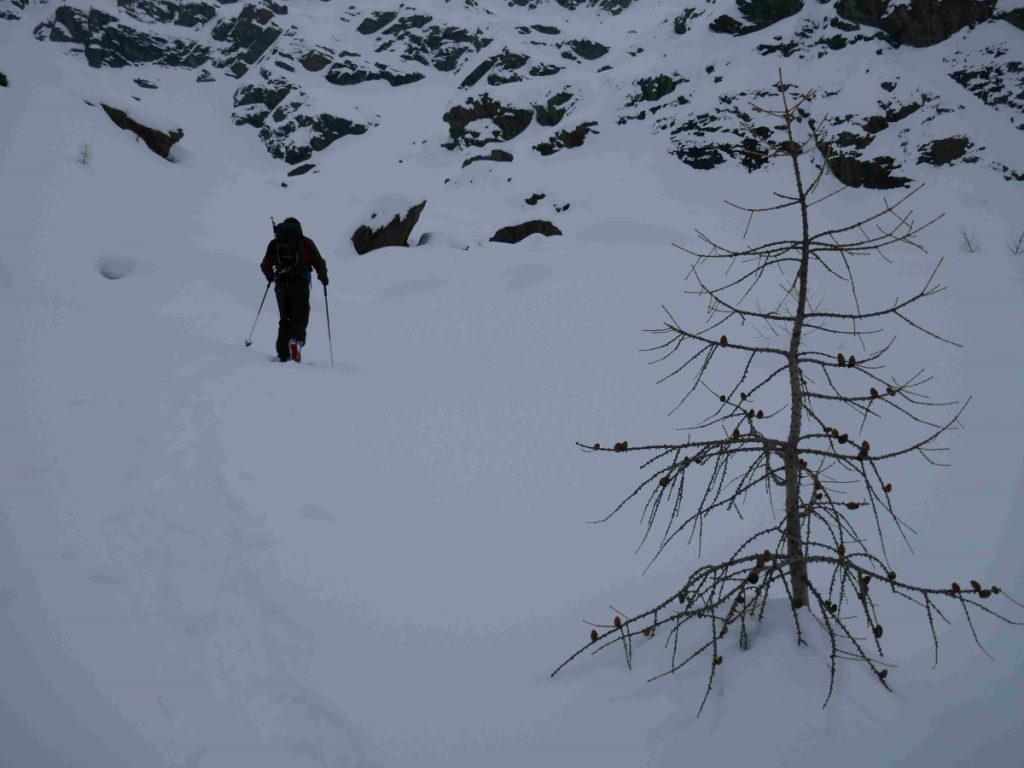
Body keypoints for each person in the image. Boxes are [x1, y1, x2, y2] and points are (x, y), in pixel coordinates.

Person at [260, 217, 329, 362]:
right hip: (300, 284)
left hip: (281, 285)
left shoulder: (275, 243)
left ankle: (283, 354)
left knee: (285, 319)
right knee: (300, 317)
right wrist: (323, 277)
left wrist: (270, 275)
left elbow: (265, 264)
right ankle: (296, 342)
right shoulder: (306, 242)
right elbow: (319, 261)